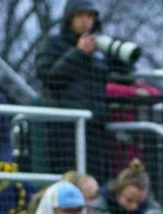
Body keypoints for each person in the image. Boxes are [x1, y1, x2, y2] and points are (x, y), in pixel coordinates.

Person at [32, 3, 114, 178]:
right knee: (69, 181)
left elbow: (111, 79)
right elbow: (50, 78)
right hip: (65, 129)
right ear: (70, 18)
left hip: (96, 127)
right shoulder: (52, 45)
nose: (86, 21)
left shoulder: (100, 49)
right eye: (80, 15)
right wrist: (78, 53)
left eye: (90, 16)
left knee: (96, 184)